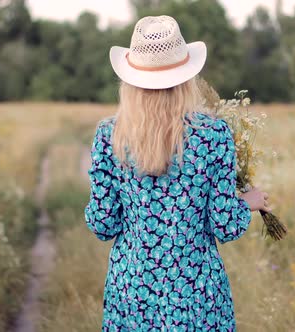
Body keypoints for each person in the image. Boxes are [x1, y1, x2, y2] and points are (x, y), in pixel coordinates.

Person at [84, 15, 270, 331]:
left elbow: (103, 224)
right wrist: (248, 202)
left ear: (130, 81)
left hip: (133, 296)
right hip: (197, 297)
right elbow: (224, 226)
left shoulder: (109, 136)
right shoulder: (213, 136)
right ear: (186, 78)